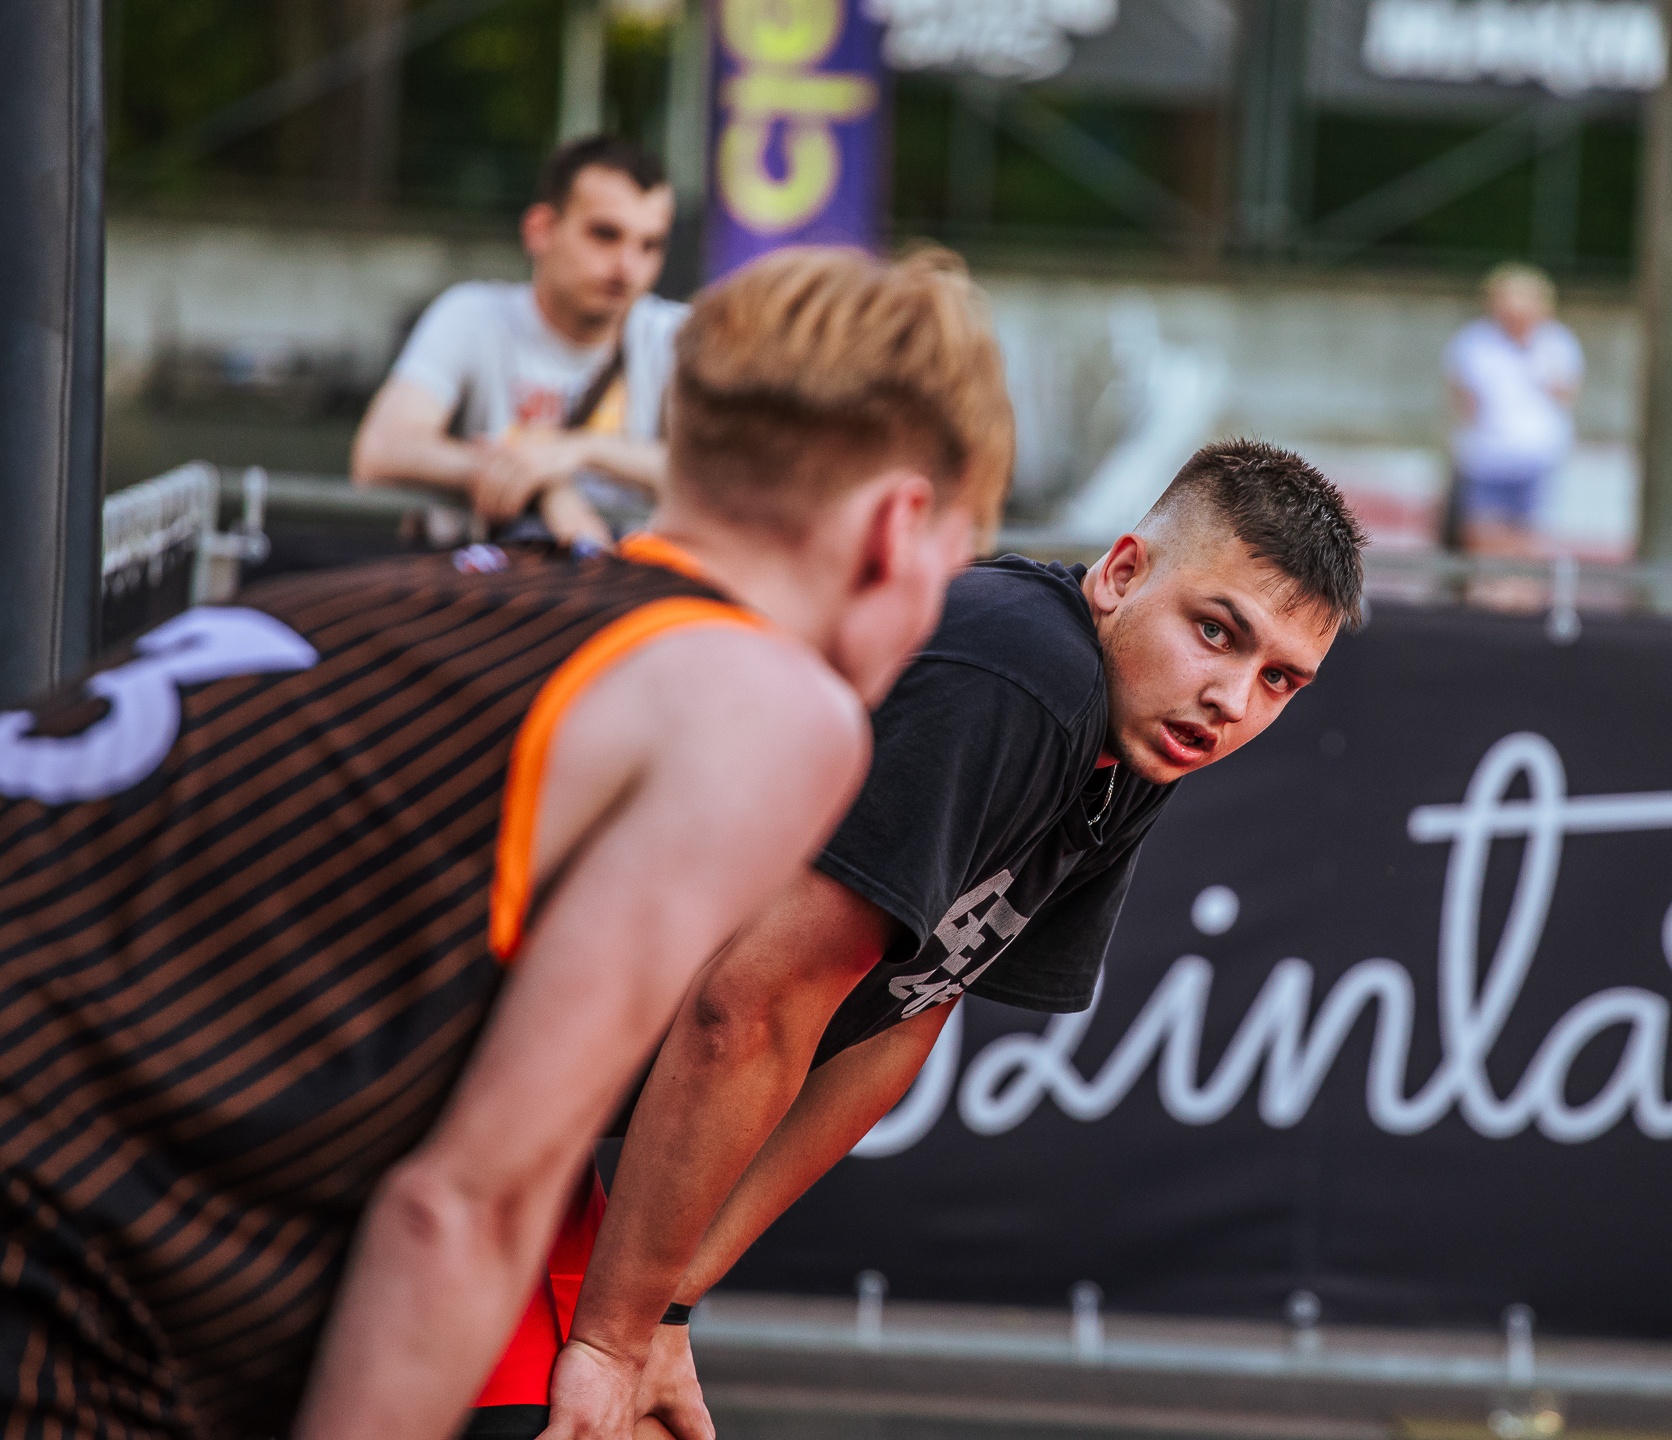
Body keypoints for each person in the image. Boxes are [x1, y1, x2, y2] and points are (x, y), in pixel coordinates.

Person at [0, 244, 1012, 1440]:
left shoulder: (478, 596)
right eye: (958, 562)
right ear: (899, 526)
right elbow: (463, 1208)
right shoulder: (773, 705)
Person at [518, 439, 1368, 1440]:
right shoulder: (1027, 676)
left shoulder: (1138, 733)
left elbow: (906, 1012)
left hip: (528, 1104)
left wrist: (666, 1309)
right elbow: (747, 1013)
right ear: (1123, 573)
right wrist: (611, 1341)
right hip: (444, 1046)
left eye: (1280, 680)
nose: (1232, 699)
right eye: (1216, 632)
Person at [351, 135, 684, 551]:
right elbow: (381, 451)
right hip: (488, 578)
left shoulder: (677, 335)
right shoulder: (473, 314)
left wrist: (577, 451)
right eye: (604, 235)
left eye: (650, 245)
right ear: (540, 230)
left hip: (629, 583)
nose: (628, 267)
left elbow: (721, 480)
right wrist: (542, 485)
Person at [1443, 263, 1582, 566]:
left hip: (1537, 458)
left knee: (1528, 541)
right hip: (1487, 458)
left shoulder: (1556, 344)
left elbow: (1566, 393)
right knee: (1483, 536)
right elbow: (1464, 401)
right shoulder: (1475, 343)